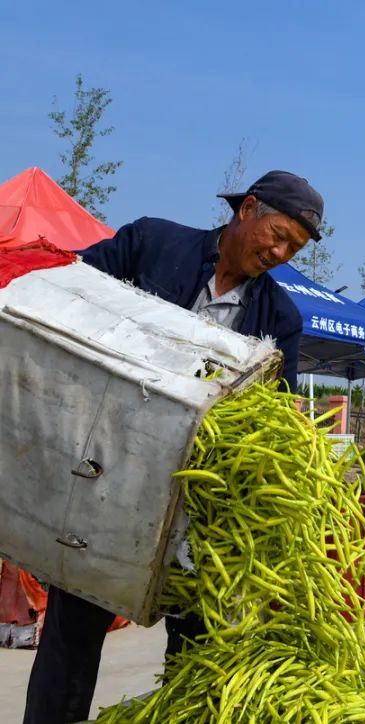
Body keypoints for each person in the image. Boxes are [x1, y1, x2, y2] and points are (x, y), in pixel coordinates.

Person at [23, 170, 324, 724]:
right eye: (277, 235)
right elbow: (65, 295)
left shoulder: (281, 319)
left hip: (197, 511)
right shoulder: (150, 244)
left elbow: (274, 417)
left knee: (196, 654)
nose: (280, 253)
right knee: (72, 638)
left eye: (294, 249)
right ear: (247, 209)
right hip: (105, 482)